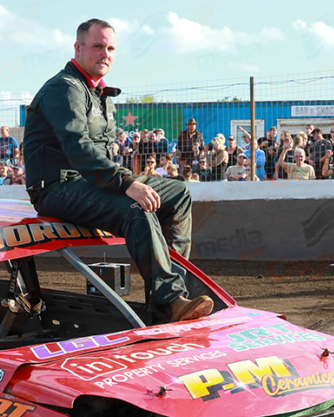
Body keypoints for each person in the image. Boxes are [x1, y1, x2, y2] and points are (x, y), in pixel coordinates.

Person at [23, 18, 210, 323]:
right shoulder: (64, 88)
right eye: (98, 46)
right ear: (78, 47)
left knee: (177, 192)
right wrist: (126, 183)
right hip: (56, 188)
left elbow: (101, 154)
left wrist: (125, 181)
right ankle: (170, 301)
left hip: (89, 183)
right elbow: (78, 148)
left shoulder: (100, 94)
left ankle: (174, 295)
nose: (105, 54)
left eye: (111, 48)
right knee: (136, 208)